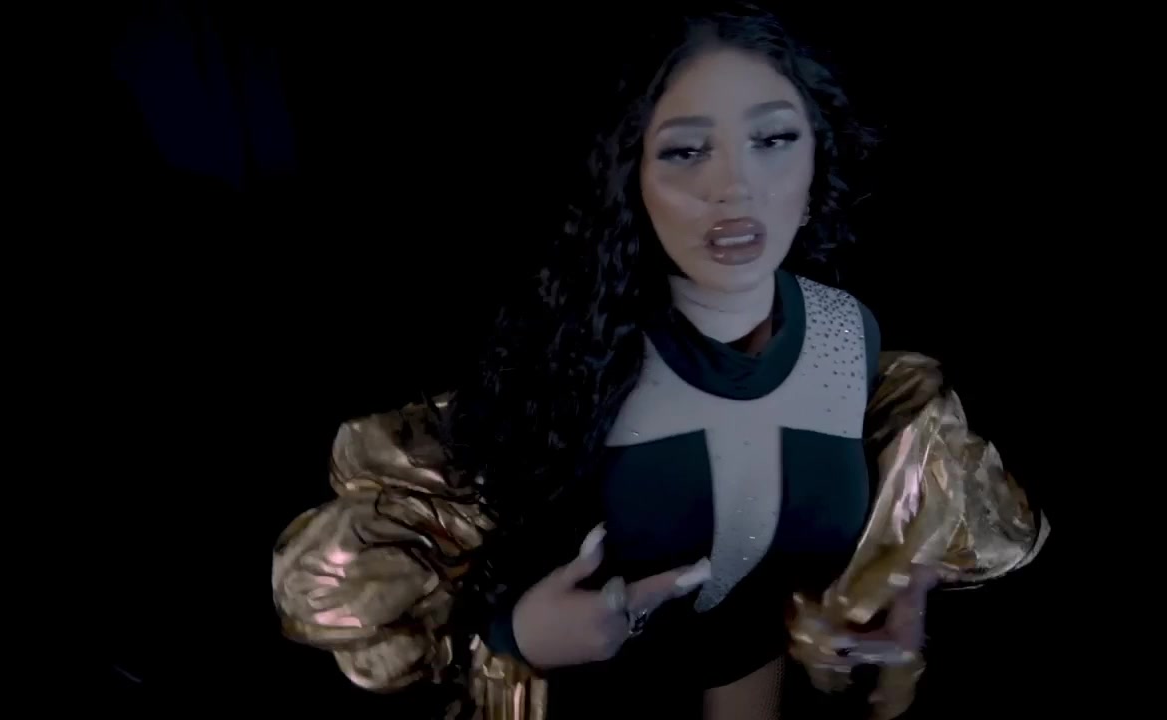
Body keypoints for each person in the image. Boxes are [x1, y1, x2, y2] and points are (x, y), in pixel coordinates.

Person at [271, 6, 1045, 719]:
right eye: (686, 150)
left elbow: (858, 531)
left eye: (773, 140)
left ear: (817, 161)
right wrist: (516, 633)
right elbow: (359, 582)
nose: (733, 186)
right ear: (634, 178)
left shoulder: (848, 337)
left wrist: (895, 593)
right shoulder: (573, 358)